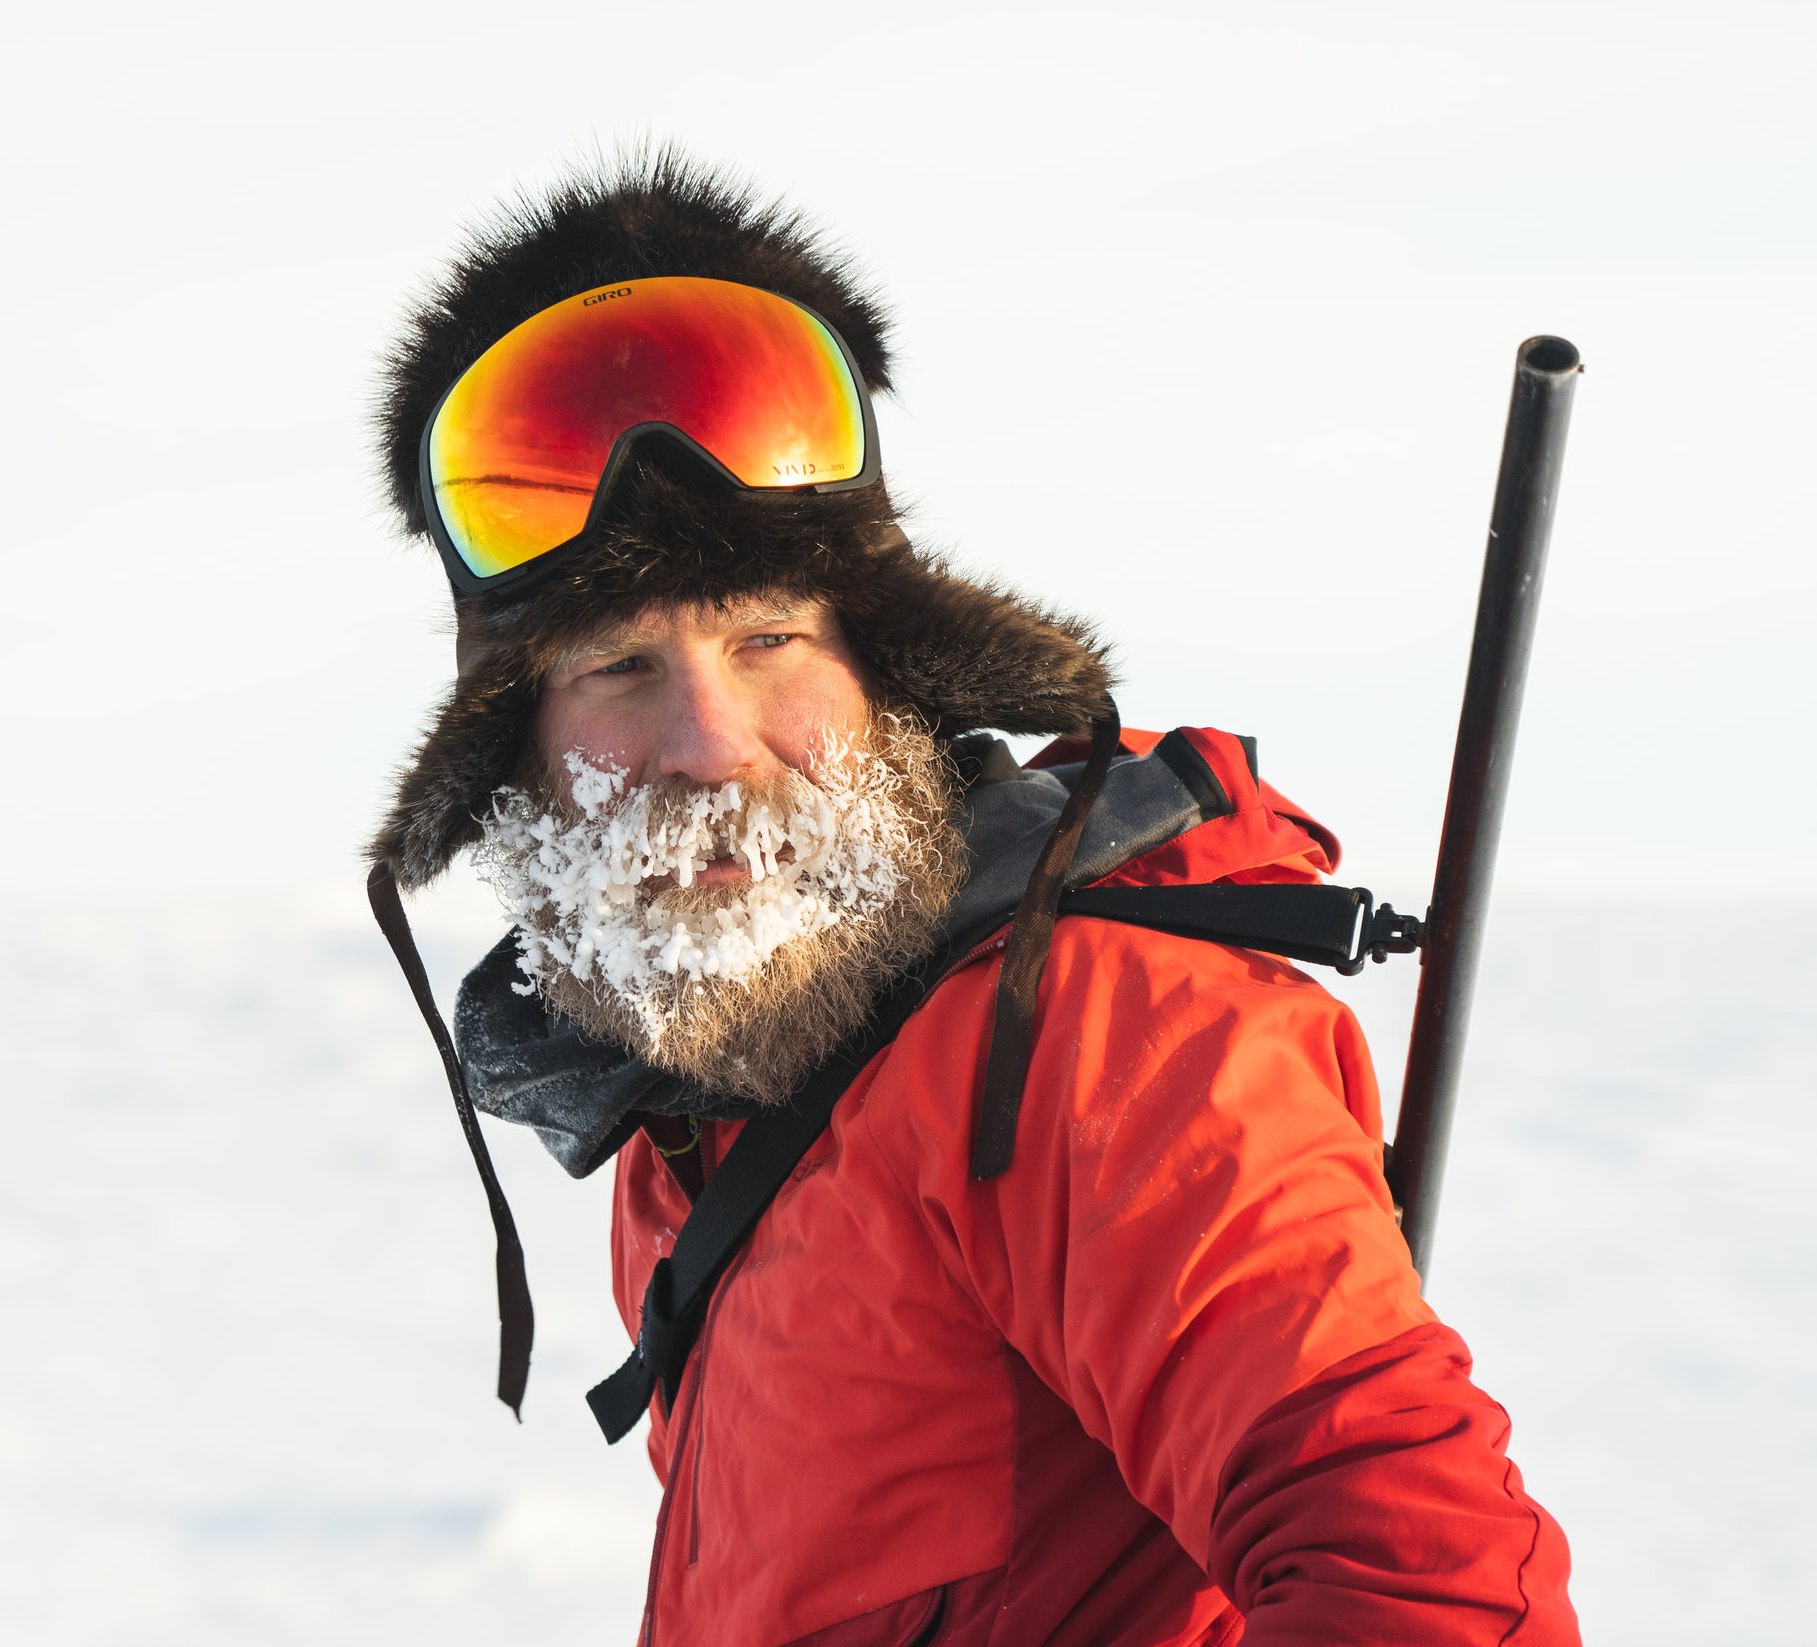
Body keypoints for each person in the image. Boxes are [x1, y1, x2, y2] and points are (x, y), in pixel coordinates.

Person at [366, 151, 1578, 1647]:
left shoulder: (1084, 1035)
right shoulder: (691, 1121)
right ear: (517, 757)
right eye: (620, 667)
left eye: (767, 641)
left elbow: (1423, 1587)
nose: (707, 747)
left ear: (888, 678)